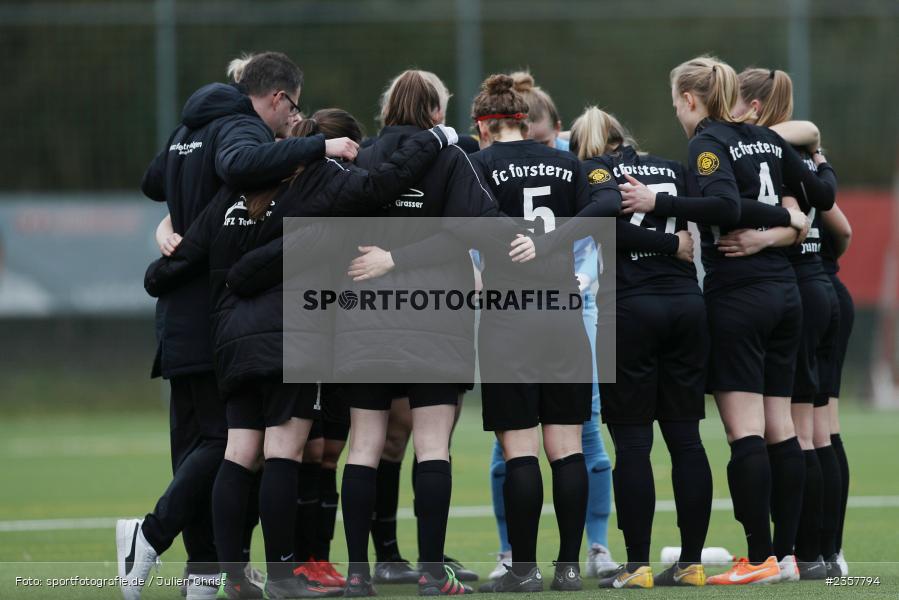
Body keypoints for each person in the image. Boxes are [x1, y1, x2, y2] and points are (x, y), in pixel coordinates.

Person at [144, 113, 457, 599]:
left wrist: (164, 241)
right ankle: (284, 578)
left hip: (231, 342)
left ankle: (232, 579)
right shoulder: (316, 184)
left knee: (238, 454)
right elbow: (384, 183)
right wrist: (438, 138)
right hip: (293, 336)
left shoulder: (231, 195)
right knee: (284, 453)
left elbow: (163, 273)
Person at [119, 51, 358, 600]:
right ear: (277, 99)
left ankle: (207, 574)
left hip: (188, 314)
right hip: (219, 314)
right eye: (291, 109)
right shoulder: (240, 134)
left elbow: (158, 180)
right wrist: (323, 146)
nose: (289, 122)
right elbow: (238, 171)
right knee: (238, 445)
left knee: (208, 445)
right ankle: (154, 536)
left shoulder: (189, 128)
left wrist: (170, 225)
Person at [619, 55, 835, 586]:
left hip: (739, 295)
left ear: (691, 100)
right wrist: (785, 220)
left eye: (676, 104)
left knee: (745, 432)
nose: (677, 114)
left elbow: (722, 207)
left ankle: (759, 556)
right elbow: (819, 197)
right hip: (787, 294)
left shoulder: (707, 143)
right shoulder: (767, 139)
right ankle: (786, 557)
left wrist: (658, 198)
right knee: (782, 429)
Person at [334, 69, 536, 598]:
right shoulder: (451, 156)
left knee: (364, 445)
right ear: (438, 114)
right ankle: (430, 573)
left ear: (387, 109)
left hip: (363, 320)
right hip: (434, 319)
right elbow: (480, 227)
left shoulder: (364, 156)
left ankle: (358, 575)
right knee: (431, 448)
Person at [470, 74, 617, 593]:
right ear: (527, 120)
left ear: (484, 126)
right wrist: (555, 237)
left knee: (521, 451)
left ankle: (524, 569)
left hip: (508, 318)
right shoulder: (567, 162)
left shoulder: (477, 165)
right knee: (568, 446)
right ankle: (570, 568)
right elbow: (607, 206)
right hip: (563, 316)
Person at [568, 107, 714, 589]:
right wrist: (673, 247)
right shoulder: (670, 169)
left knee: (633, 443)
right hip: (686, 307)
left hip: (629, 310)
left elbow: (602, 224)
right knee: (687, 439)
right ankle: (691, 562)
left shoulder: (593, 172)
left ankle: (636, 565)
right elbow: (695, 226)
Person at [733, 67, 841, 580]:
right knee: (818, 431)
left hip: (790, 287)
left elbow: (801, 221)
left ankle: (797, 552)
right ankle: (824, 552)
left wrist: (763, 239)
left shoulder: (762, 151)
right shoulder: (799, 148)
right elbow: (842, 225)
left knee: (794, 432)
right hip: (821, 285)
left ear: (752, 104)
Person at [819, 202, 853, 577]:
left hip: (802, 290)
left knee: (805, 430)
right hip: (831, 285)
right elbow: (843, 231)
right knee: (826, 425)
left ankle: (808, 549)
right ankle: (831, 550)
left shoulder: (780, 163)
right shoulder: (812, 166)